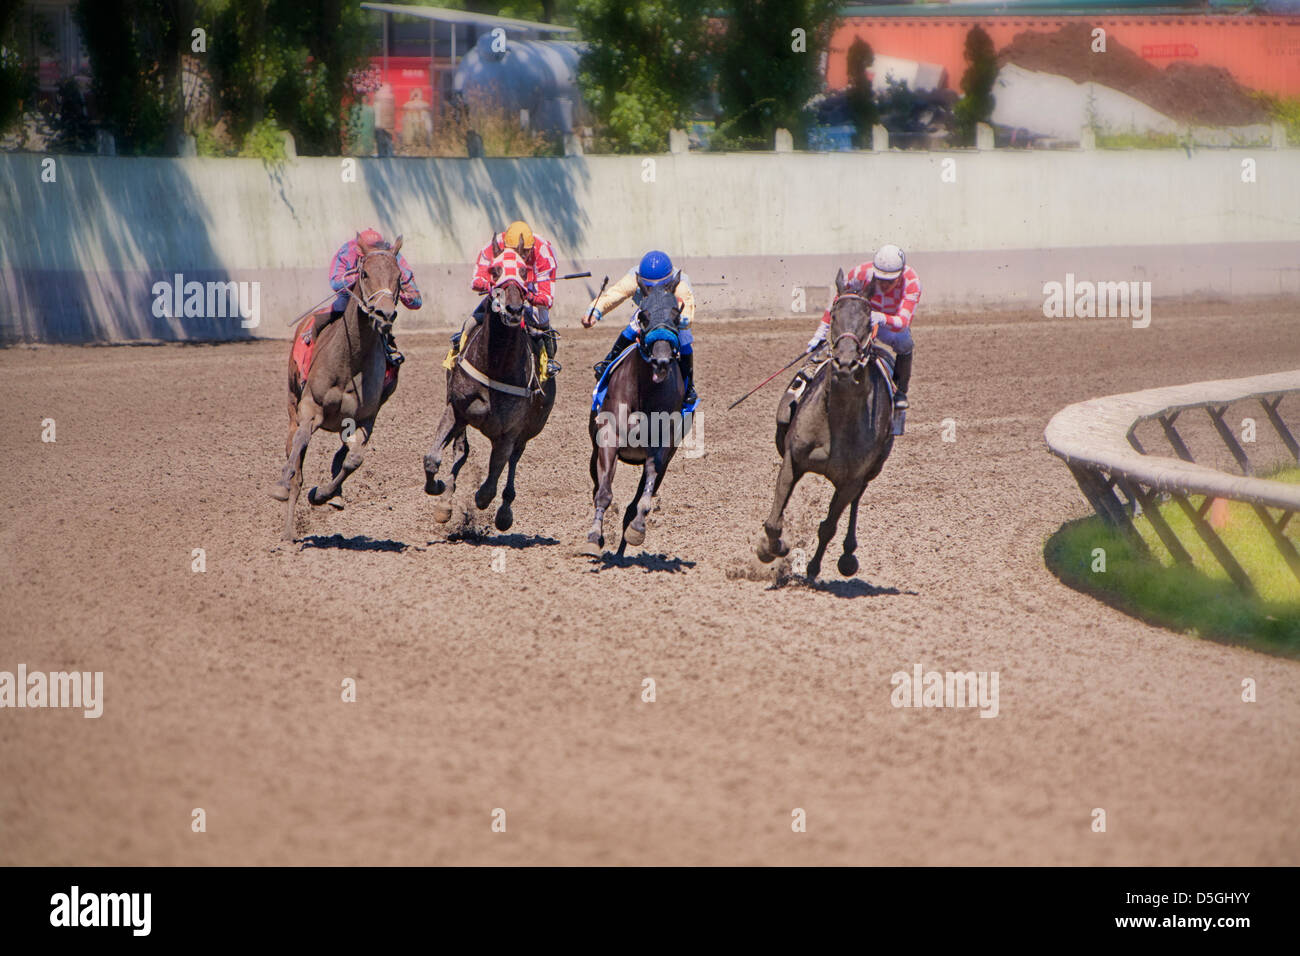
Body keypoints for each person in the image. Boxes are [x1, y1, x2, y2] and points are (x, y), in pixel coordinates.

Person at [582, 250, 697, 406]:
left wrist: (680, 321)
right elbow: (615, 294)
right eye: (648, 287)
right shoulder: (633, 277)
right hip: (649, 312)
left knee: (684, 340)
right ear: (641, 281)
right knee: (631, 328)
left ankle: (689, 386)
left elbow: (688, 311)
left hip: (671, 314)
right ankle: (608, 362)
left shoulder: (681, 284)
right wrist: (594, 312)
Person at [448, 220, 560, 374]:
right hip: (501, 291)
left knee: (541, 320)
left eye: (523, 252)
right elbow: (476, 281)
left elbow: (547, 299)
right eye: (511, 250)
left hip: (531, 289)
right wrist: (492, 286)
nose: (517, 255)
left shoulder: (544, 253)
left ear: (531, 248)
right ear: (504, 245)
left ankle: (548, 362)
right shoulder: (492, 247)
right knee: (470, 323)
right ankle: (457, 354)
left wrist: (527, 295)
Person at [303, 228, 421, 366]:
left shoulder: (391, 255)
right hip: (347, 300)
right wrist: (360, 276)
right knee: (316, 324)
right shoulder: (348, 251)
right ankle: (307, 368)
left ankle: (388, 367)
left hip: (378, 307)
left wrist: (398, 293)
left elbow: (417, 301)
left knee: (385, 327)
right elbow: (335, 282)